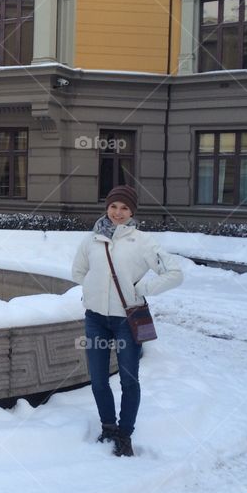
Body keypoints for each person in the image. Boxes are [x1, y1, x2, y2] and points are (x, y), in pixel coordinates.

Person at [71, 184, 183, 457]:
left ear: (132, 211)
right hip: (95, 319)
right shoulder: (91, 240)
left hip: (125, 320)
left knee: (129, 381)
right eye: (113, 207)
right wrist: (94, 290)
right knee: (98, 380)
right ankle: (108, 427)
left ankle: (125, 434)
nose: (117, 213)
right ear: (106, 207)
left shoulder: (143, 241)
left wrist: (142, 289)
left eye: (124, 208)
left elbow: (175, 273)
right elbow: (77, 272)